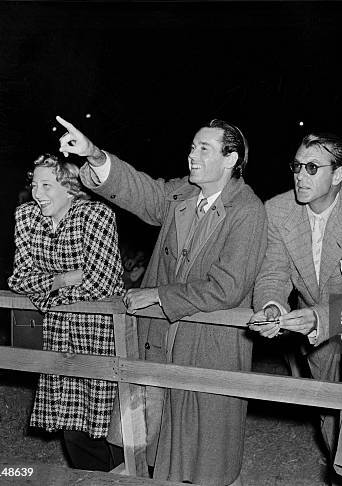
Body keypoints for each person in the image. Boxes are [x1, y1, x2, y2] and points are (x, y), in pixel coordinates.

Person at [56, 116, 267, 486]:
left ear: (231, 159)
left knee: (197, 453)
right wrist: (93, 154)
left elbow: (228, 287)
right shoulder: (180, 194)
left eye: (204, 148)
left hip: (206, 344)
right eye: (191, 147)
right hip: (160, 337)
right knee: (147, 441)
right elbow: (138, 189)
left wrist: (158, 294)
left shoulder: (248, 211)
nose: (192, 155)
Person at [249, 132, 342, 486]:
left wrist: (321, 317)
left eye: (312, 168)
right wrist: (271, 307)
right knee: (330, 411)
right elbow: (273, 273)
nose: (300, 175)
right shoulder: (277, 210)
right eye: (297, 166)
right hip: (311, 330)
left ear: (338, 175)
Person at [8, 154, 124, 471]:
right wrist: (66, 278)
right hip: (58, 334)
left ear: (71, 188)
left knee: (108, 427)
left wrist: (46, 290)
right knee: (72, 427)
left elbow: (104, 282)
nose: (37, 193)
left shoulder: (96, 215)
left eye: (47, 185)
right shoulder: (27, 217)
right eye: (34, 184)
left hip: (100, 332)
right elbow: (19, 278)